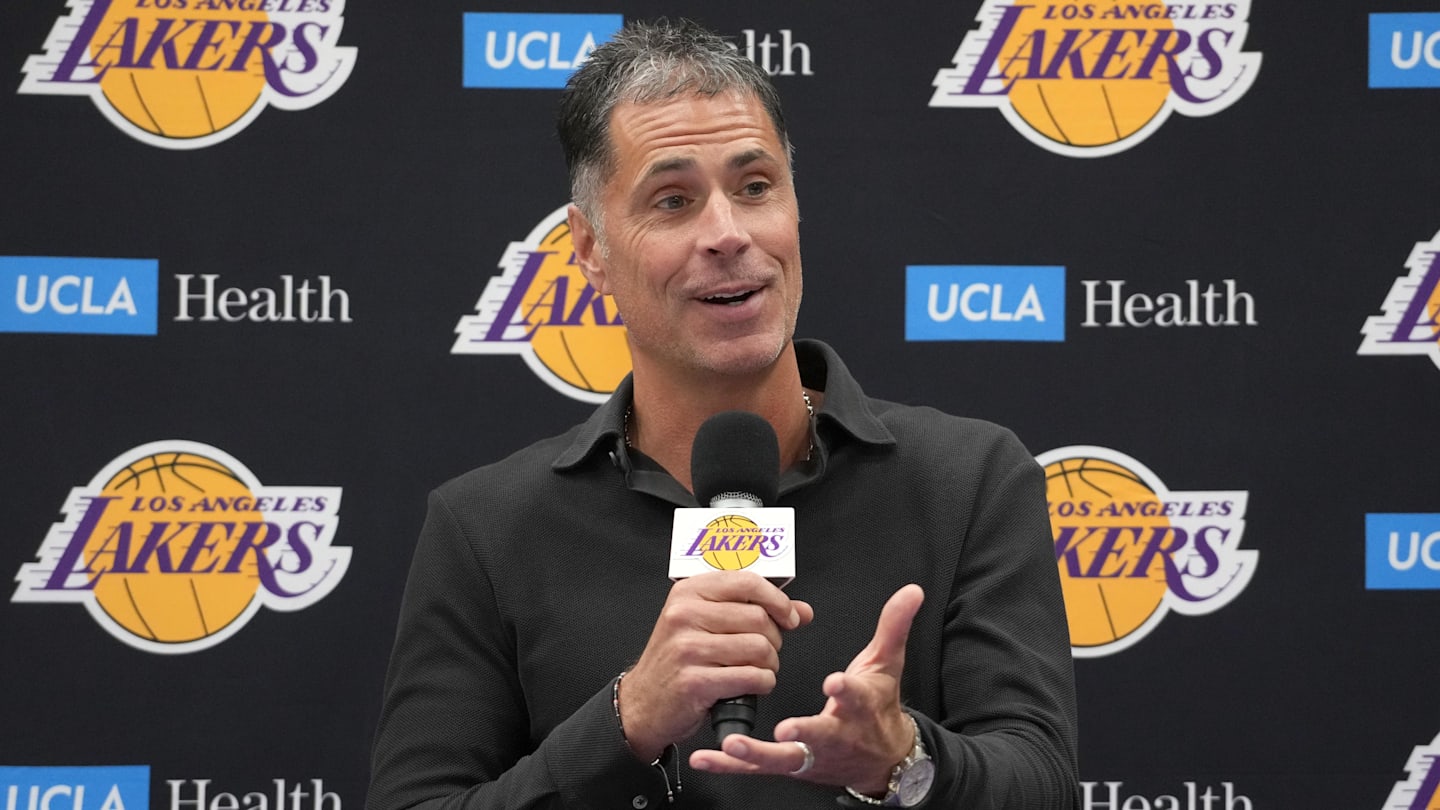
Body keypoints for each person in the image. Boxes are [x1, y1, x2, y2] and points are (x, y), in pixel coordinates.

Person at [368, 18, 1078, 810]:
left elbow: (1044, 784)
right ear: (590, 249)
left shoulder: (970, 480)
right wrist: (624, 722)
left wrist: (904, 760)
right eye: (673, 201)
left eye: (755, 187)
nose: (728, 234)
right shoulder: (485, 530)